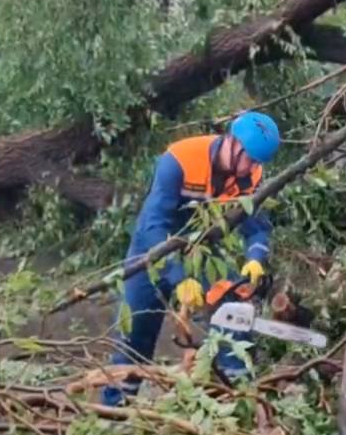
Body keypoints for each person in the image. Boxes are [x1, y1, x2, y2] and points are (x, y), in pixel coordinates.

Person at [99, 111, 281, 407]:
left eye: (257, 162)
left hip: (204, 256)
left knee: (233, 311)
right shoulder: (180, 159)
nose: (251, 167)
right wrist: (178, 278)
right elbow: (152, 225)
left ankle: (235, 399)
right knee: (134, 337)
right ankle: (113, 410)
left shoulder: (250, 174)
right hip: (152, 251)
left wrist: (256, 257)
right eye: (249, 158)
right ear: (231, 142)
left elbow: (257, 226)